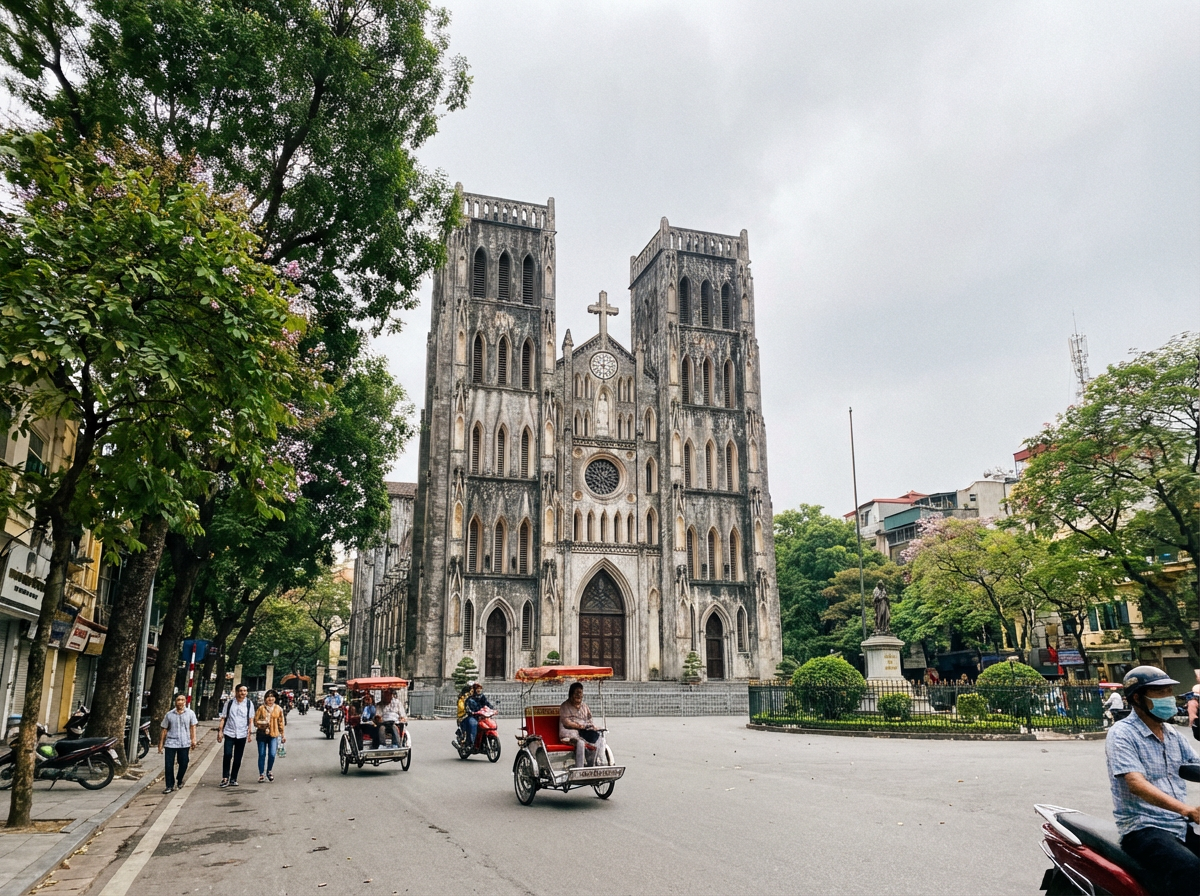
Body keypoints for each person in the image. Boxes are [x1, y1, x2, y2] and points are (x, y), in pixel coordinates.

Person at [1105, 665, 1200, 896]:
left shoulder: (1172, 734)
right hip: (1143, 828)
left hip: (1177, 825)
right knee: (1189, 868)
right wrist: (1186, 809)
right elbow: (1136, 784)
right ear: (1137, 697)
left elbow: (1195, 766)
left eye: (1169, 691)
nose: (1168, 698)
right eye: (1160, 692)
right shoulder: (1122, 733)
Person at [559, 682, 606, 769]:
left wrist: (592, 727)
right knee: (580, 743)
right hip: (569, 733)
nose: (578, 695)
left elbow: (589, 719)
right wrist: (580, 726)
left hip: (584, 732)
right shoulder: (564, 706)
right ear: (571, 694)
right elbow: (566, 722)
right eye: (576, 693)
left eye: (580, 693)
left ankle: (598, 762)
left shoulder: (585, 706)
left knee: (600, 739)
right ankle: (579, 768)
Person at [158, 694, 197, 794]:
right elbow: (164, 729)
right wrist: (161, 744)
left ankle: (179, 779)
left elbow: (192, 727)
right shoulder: (169, 715)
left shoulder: (190, 713)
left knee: (184, 763)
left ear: (185, 701)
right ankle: (169, 785)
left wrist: (193, 739)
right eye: (178, 700)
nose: (180, 702)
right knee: (168, 765)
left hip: (184, 743)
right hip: (171, 743)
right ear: (175, 702)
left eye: (182, 700)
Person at [217, 684, 254, 787]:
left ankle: (233, 778)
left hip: (242, 734)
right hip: (229, 732)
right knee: (227, 754)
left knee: (238, 757)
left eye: (245, 691)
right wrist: (220, 731)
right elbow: (223, 717)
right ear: (236, 692)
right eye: (241, 691)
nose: (243, 693)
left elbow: (250, 720)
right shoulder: (229, 703)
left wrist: (249, 733)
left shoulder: (249, 704)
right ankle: (225, 777)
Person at [254, 689, 287, 783]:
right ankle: (261, 774)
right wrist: (262, 724)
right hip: (261, 734)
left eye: (272, 697)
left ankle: (269, 771)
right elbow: (255, 721)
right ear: (265, 698)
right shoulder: (261, 708)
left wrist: (282, 735)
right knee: (262, 754)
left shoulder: (278, 709)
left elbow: (281, 722)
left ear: (275, 698)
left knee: (272, 754)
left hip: (274, 734)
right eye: (268, 697)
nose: (270, 699)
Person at [463, 681, 494, 750]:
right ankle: (471, 743)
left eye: (480, 688)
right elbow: (467, 707)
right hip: (473, 716)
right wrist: (470, 711)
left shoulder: (482, 696)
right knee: (473, 724)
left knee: (489, 724)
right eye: (477, 688)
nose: (479, 690)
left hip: (482, 716)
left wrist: (492, 709)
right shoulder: (470, 699)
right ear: (474, 689)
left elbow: (487, 704)